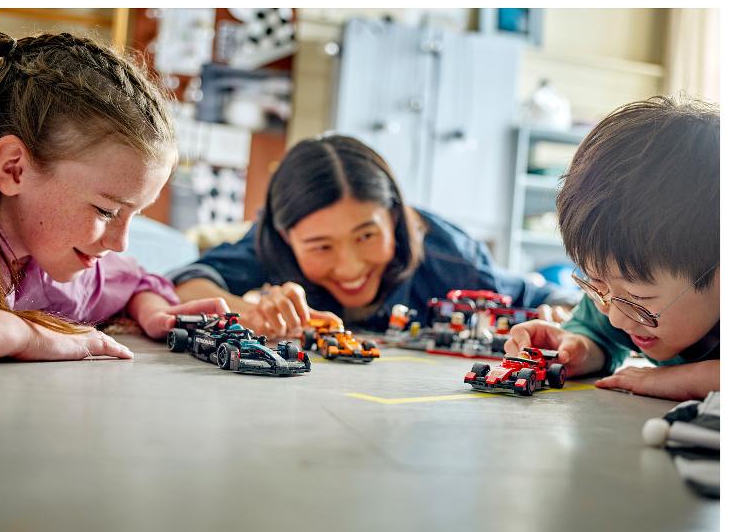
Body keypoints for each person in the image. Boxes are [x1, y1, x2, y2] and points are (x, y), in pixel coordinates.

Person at [172, 135, 576, 339]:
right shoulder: (270, 247)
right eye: (321, 247)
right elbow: (188, 284)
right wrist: (250, 311)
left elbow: (540, 297)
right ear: (286, 238)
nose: (349, 267)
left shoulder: (448, 254)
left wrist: (562, 314)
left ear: (395, 218)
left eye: (366, 235)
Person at [0, 31, 228, 361]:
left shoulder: (55, 271)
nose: (121, 243)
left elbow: (133, 281)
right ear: (14, 169)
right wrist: (28, 335)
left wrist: (152, 311)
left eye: (137, 213)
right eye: (106, 211)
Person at [505, 95, 719, 401]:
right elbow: (602, 335)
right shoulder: (617, 299)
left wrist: (687, 379)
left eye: (639, 299)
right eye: (597, 284)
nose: (616, 318)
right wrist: (579, 348)